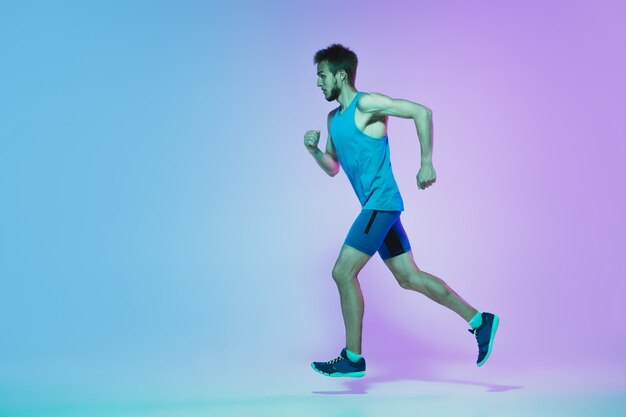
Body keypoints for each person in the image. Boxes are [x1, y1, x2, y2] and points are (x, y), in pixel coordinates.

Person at [304, 44, 499, 378]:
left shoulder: (367, 104)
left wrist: (426, 162)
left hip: (381, 203)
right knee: (409, 277)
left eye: (322, 76)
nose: (318, 83)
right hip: (377, 208)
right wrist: (313, 151)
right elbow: (334, 166)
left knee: (342, 272)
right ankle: (480, 321)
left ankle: (353, 357)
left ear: (340, 74)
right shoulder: (333, 119)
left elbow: (421, 112)